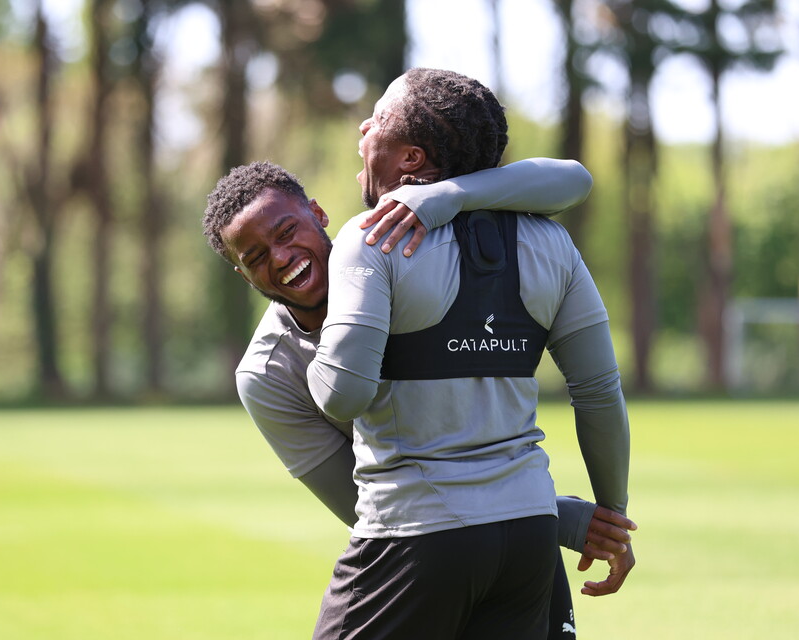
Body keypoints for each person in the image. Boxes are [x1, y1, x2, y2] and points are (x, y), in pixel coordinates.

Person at [203, 159, 635, 638]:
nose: (281, 258)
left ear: (319, 214)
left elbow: (571, 180)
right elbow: (359, 502)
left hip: (519, 545)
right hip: (425, 542)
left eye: (286, 232)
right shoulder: (269, 375)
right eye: (256, 257)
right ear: (244, 276)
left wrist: (449, 194)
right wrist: (563, 517)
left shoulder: (395, 247)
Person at [305, 68, 633, 639]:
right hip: (529, 539)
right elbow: (600, 392)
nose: (363, 128)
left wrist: (309, 343)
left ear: (410, 158)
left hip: (414, 537)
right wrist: (611, 516)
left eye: (377, 119)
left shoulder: (371, 236)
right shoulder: (551, 240)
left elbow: (341, 395)